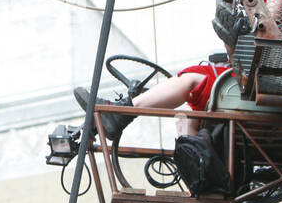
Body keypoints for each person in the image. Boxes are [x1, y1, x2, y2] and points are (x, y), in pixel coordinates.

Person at [75, 62, 231, 196]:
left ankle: (120, 112)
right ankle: (200, 183)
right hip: (235, 92)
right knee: (185, 119)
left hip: (240, 93)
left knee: (192, 80)